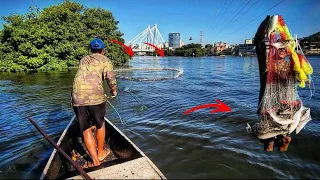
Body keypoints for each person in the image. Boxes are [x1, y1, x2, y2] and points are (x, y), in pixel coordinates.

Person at [71, 38, 117, 167]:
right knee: (100, 123)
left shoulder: (83, 60)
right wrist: (113, 92)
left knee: (85, 129)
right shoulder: (105, 60)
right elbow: (111, 80)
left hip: (77, 96)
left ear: (91, 50)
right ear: (103, 50)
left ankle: (95, 161)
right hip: (96, 97)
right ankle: (101, 152)